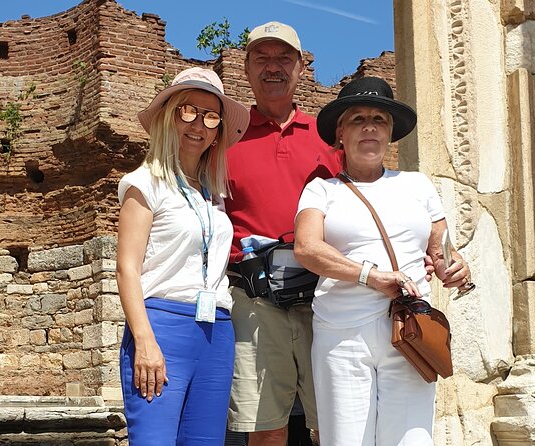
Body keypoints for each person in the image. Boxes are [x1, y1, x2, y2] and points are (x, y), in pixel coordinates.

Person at [293, 76, 474, 446]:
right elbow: (306, 248)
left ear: (390, 131)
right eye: (358, 119)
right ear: (340, 132)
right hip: (342, 335)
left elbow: (442, 252)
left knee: (411, 440)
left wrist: (455, 268)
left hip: (409, 329)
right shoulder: (321, 189)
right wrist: (369, 276)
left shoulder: (418, 185)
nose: (370, 126)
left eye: (379, 118)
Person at [116, 67, 250, 445]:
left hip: (217, 330)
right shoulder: (144, 184)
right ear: (168, 115)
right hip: (163, 326)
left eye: (211, 117)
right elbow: (127, 268)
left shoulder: (214, 194)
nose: (199, 125)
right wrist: (144, 340)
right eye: (187, 111)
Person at [223, 21, 342, 446]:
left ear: (301, 66)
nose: (273, 68)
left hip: (324, 296)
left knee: (330, 420)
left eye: (284, 58)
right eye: (262, 58)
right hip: (256, 300)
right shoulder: (225, 138)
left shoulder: (330, 137)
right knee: (265, 424)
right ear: (246, 68)